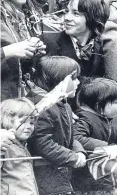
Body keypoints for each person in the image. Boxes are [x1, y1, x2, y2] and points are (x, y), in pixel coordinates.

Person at [40, 0, 117, 135]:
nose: (67, 18)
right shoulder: (50, 43)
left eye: (76, 13)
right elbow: (43, 91)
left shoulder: (103, 42)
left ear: (92, 18)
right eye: (67, 11)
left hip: (93, 121)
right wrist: (65, 113)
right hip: (60, 123)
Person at [27, 56, 86, 195]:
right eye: (73, 78)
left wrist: (78, 151)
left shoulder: (62, 104)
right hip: (44, 175)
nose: (78, 82)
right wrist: (73, 157)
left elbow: (68, 136)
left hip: (58, 171)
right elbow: (41, 143)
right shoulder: (41, 107)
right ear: (58, 80)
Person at [0, 98, 39, 195]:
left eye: (31, 123)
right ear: (8, 120)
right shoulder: (5, 144)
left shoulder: (22, 145)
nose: (29, 126)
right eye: (23, 122)